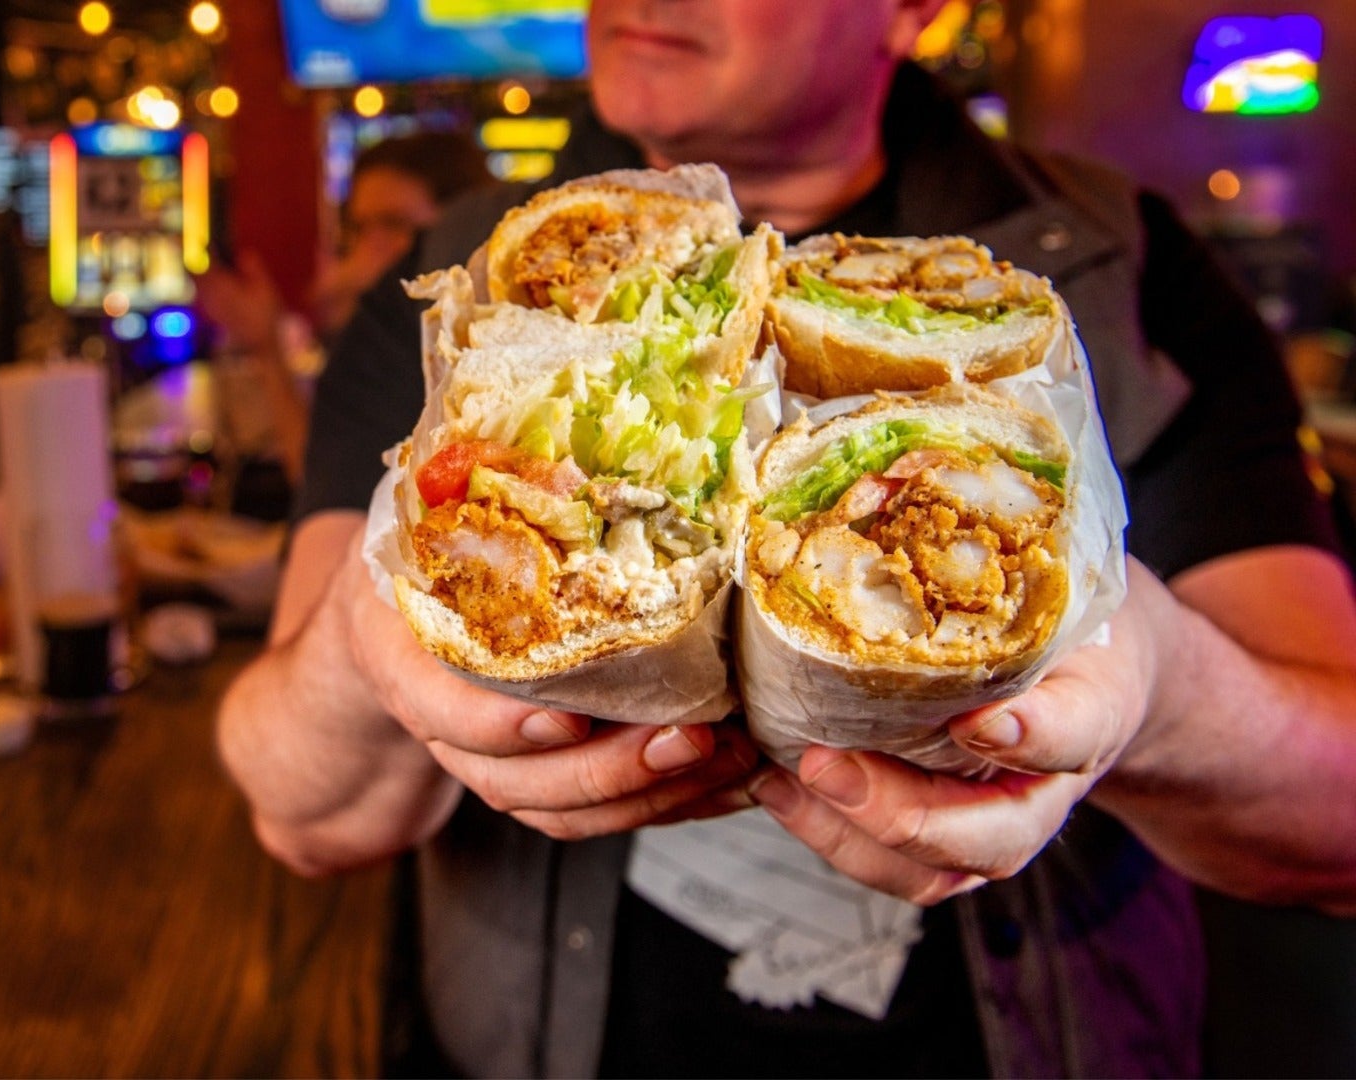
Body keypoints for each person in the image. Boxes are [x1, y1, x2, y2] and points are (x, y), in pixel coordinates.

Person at [217, 1, 1356, 1075]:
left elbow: (1334, 825)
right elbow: (298, 812)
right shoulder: (470, 285)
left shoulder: (1135, 276)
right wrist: (373, 636)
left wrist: (1155, 680)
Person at [195, 131, 495, 489]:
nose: (368, 247)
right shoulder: (376, 336)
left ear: (458, 230)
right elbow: (325, 478)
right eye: (360, 228)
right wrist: (269, 347)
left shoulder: (478, 344)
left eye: (394, 224)